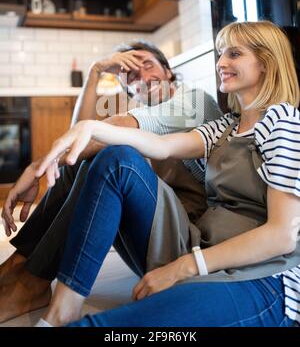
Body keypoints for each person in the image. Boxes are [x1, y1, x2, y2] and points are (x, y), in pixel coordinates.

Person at [30, 20, 300, 327]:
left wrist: (185, 266)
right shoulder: (225, 127)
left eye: (234, 54)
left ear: (266, 63)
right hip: (199, 245)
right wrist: (89, 126)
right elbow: (160, 145)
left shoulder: (283, 122)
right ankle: (62, 308)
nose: (221, 62)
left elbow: (282, 236)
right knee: (116, 157)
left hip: (258, 271)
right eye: (221, 54)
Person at [0, 40, 221, 323]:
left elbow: (98, 133)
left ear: (167, 71)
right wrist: (95, 72)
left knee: (113, 152)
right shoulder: (140, 116)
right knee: (88, 157)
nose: (143, 78)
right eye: (132, 77)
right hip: (155, 235)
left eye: (148, 66)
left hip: (189, 242)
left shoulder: (195, 101)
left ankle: (30, 284)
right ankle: (20, 271)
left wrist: (38, 166)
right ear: (129, 90)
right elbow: (78, 142)